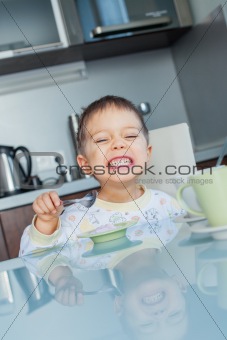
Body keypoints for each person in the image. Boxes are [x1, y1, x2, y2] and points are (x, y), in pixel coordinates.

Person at [20, 95, 184, 256]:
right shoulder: (74, 220)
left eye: (130, 136)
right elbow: (33, 258)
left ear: (147, 153)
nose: (119, 144)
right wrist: (46, 222)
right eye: (102, 139)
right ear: (85, 164)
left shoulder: (167, 205)